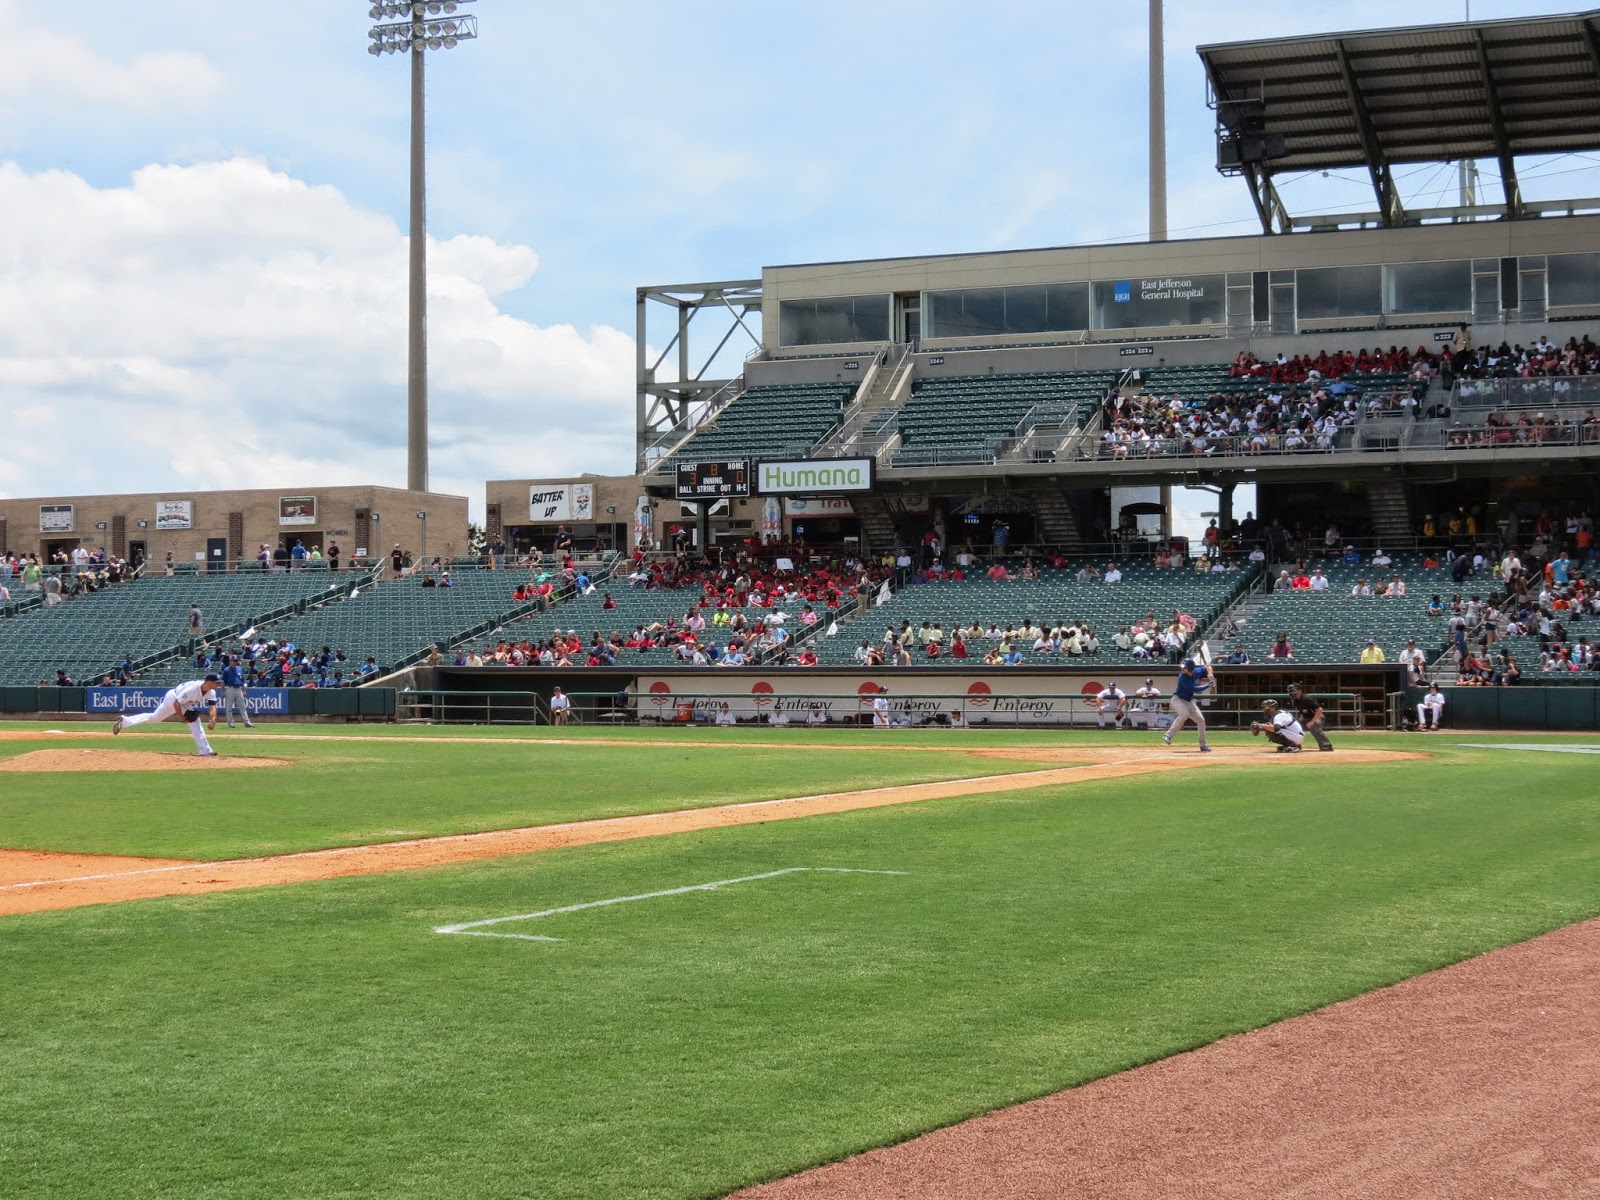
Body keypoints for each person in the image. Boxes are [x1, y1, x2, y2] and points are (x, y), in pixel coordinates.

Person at [111, 675, 222, 756]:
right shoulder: (193, 689)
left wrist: (213, 720)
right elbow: (176, 703)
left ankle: (125, 721)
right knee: (195, 721)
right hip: (173, 698)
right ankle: (205, 750)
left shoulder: (211, 692)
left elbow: (212, 707)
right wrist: (181, 717)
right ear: (208, 682)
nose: (218, 684)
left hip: (180, 702)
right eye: (216, 682)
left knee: (154, 718)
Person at [1163, 658, 1212, 752]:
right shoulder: (1182, 677)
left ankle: (1203, 745)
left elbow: (1208, 667)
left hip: (1189, 701)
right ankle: (1168, 735)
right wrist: (1208, 685)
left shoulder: (1197, 671)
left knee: (1201, 720)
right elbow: (1193, 689)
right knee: (1184, 714)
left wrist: (1210, 674)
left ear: (1190, 668)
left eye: (1184, 668)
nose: (1182, 669)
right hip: (1178, 699)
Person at [1287, 683, 1333, 751]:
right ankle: (1295, 745)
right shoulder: (1296, 700)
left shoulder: (1307, 698)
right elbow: (1303, 711)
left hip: (1317, 716)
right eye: (1290, 691)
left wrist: (1312, 722)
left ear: (1299, 690)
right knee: (1292, 726)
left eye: (1293, 691)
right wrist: (1299, 720)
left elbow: (1319, 710)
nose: (1292, 693)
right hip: (1307, 717)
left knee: (1313, 726)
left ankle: (1326, 745)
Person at [219, 655, 255, 729]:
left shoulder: (239, 669)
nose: (236, 662)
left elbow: (243, 681)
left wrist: (244, 690)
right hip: (230, 688)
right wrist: (222, 691)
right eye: (234, 660)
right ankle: (231, 723)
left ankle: (247, 723)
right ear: (230, 661)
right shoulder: (226, 670)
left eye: (236, 660)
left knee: (242, 707)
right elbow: (223, 682)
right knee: (229, 708)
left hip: (239, 689)